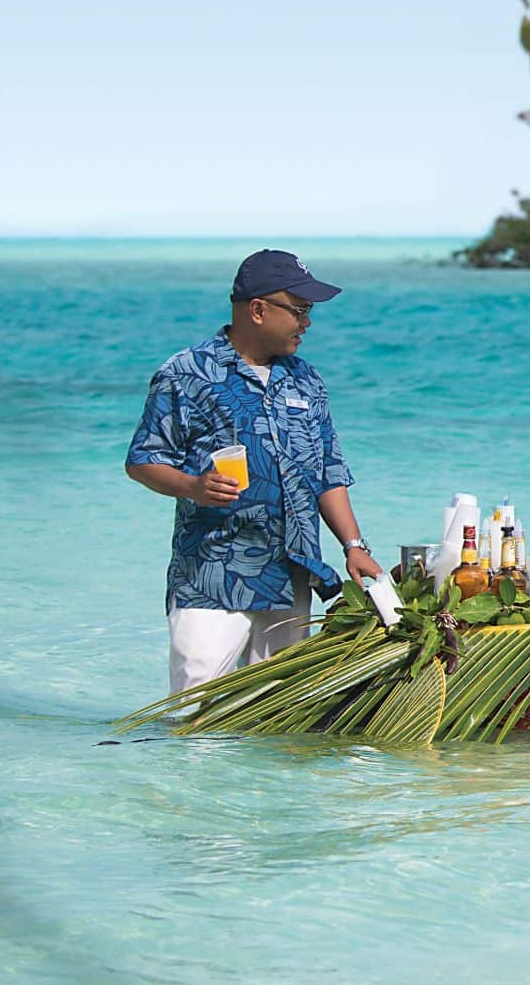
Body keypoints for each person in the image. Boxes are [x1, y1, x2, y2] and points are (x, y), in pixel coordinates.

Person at [124, 250, 382, 694]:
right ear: (258, 310)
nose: (307, 323)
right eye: (299, 311)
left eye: (310, 312)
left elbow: (328, 473)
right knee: (194, 716)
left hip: (291, 574)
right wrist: (193, 486)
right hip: (213, 576)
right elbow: (143, 460)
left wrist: (353, 545)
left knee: (275, 719)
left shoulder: (306, 379)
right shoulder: (186, 374)